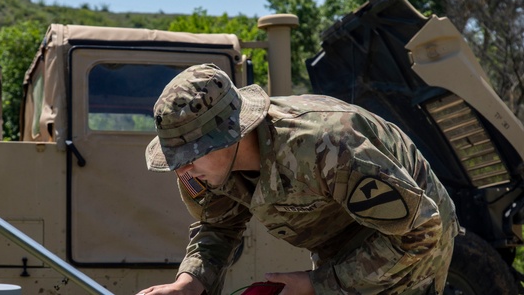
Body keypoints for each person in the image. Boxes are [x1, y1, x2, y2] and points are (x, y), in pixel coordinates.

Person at [138, 63, 459, 295]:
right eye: (175, 159)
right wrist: (188, 284)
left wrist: (315, 284)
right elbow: (217, 227)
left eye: (191, 155)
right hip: (338, 245)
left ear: (231, 135)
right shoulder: (203, 170)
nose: (182, 171)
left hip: (410, 238)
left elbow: (422, 231)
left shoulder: (326, 148)